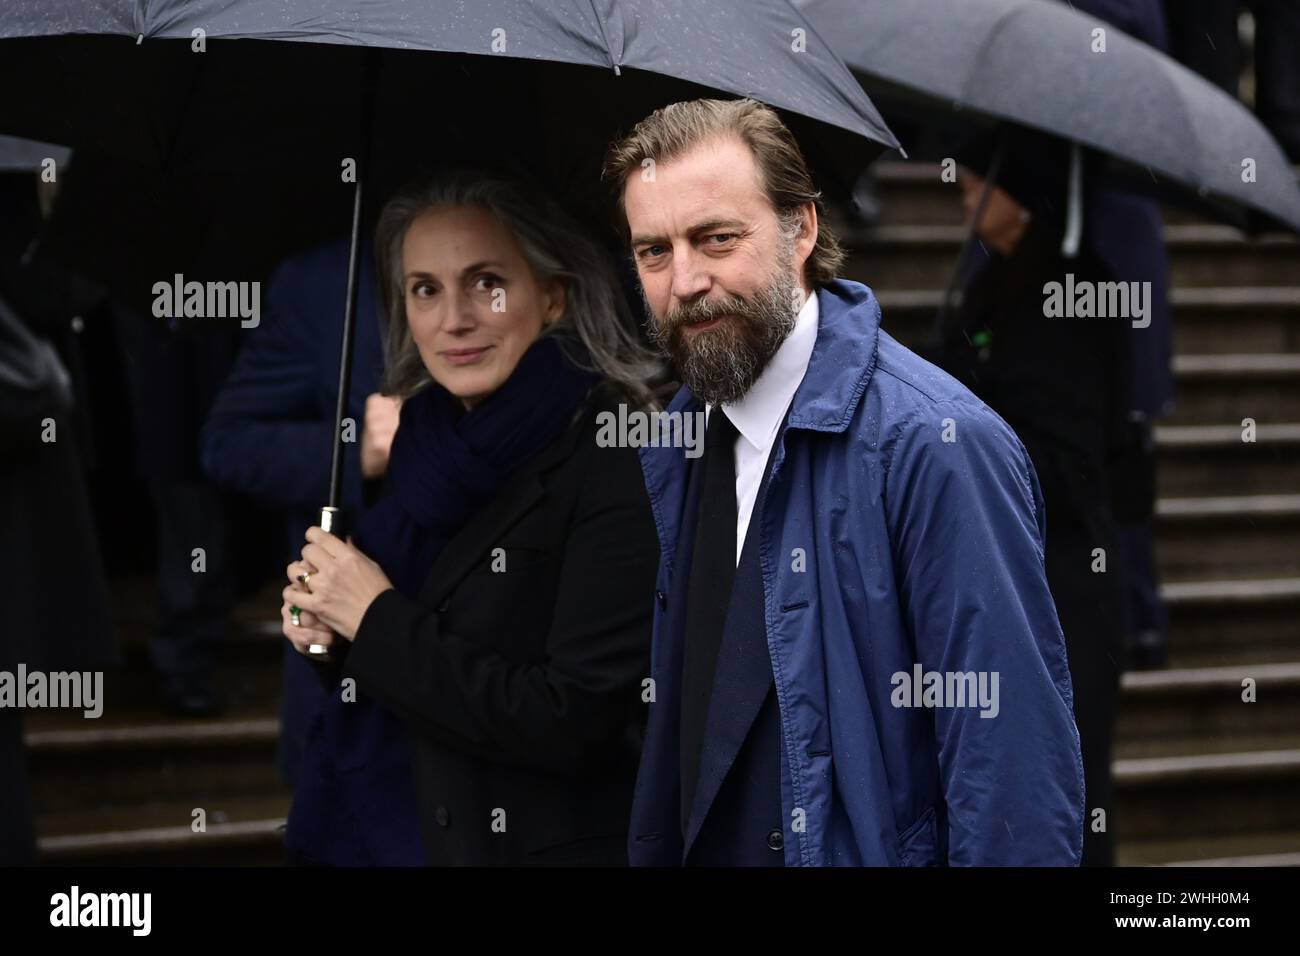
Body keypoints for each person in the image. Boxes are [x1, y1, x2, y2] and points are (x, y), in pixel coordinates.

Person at [602, 98, 1084, 866]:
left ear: (803, 230)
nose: (684, 280)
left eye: (716, 238)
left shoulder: (936, 445)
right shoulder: (681, 442)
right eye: (653, 252)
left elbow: (1013, 783)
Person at [280, 169, 661, 865]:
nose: (454, 318)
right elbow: (412, 672)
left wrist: (373, 618)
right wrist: (337, 638)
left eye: (487, 282)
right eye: (425, 289)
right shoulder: (425, 449)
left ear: (551, 295)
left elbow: (574, 720)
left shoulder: (615, 451)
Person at [932, 138, 1130, 867]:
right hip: (1015, 573)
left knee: (1064, 781)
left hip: (1065, 580)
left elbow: (1068, 456)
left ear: (1024, 194)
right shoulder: (1001, 281)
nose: (964, 186)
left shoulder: (1066, 296)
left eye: (982, 176)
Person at [200, 237, 389, 786]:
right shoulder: (328, 282)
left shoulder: (535, 262)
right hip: (345, 692)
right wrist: (359, 452)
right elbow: (228, 442)